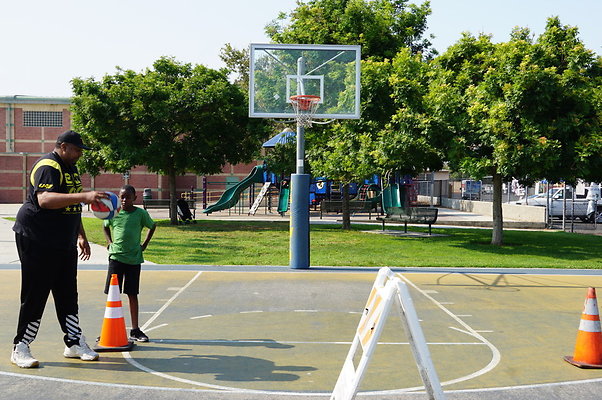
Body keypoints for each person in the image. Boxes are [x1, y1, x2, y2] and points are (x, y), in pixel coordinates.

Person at [11, 130, 108, 368]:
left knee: (67, 293)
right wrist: (86, 196)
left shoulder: (71, 168)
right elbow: (44, 199)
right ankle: (20, 346)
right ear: (63, 146)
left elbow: (71, 203)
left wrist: (81, 235)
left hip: (62, 241)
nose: (78, 155)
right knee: (36, 293)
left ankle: (74, 342)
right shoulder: (48, 166)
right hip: (37, 238)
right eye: (76, 150)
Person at [103, 185, 156, 342]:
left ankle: (135, 330)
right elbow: (105, 227)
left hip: (133, 259)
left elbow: (152, 226)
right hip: (116, 258)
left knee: (132, 294)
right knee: (113, 295)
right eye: (122, 197)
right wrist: (109, 243)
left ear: (135, 198)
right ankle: (109, 329)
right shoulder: (114, 213)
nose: (124, 200)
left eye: (127, 197)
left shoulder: (140, 214)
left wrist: (144, 244)